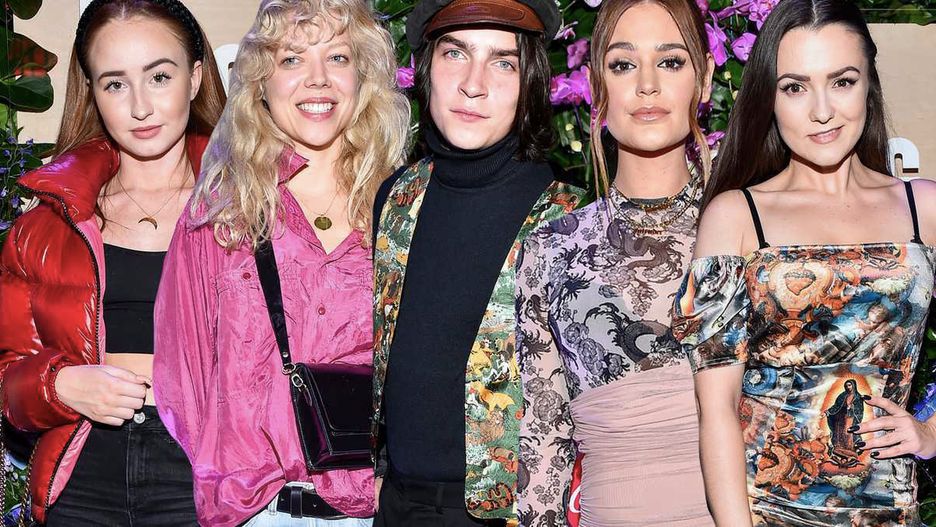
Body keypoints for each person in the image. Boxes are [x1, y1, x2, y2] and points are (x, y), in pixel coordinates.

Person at [672, 0, 936, 525]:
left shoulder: (923, 207)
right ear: (769, 98)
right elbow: (717, 408)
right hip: (768, 510)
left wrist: (929, 431)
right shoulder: (736, 216)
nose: (822, 110)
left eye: (842, 81)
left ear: (868, 84)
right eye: (795, 87)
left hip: (890, 511)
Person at [152, 0, 409, 525]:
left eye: (338, 57)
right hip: (254, 513)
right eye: (291, 59)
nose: (318, 79)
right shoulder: (219, 214)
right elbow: (183, 374)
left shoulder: (404, 210)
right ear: (260, 84)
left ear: (363, 77)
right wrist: (230, 475)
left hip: (380, 512)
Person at [0, 0, 224, 524]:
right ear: (94, 93)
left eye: (159, 77)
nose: (140, 107)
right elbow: (9, 381)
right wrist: (58, 385)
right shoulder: (47, 224)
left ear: (194, 79)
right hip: (82, 473)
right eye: (116, 84)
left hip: (208, 471)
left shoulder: (251, 205)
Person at [370, 0, 586, 524]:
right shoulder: (396, 198)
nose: (473, 84)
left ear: (531, 82)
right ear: (426, 69)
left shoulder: (572, 222)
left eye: (503, 62)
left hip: (511, 513)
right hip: (395, 504)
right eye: (455, 54)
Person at [515, 0, 715, 525]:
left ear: (705, 79)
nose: (647, 85)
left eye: (670, 61)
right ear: (595, 85)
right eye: (623, 64)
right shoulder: (550, 250)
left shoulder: (749, 236)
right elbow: (544, 442)